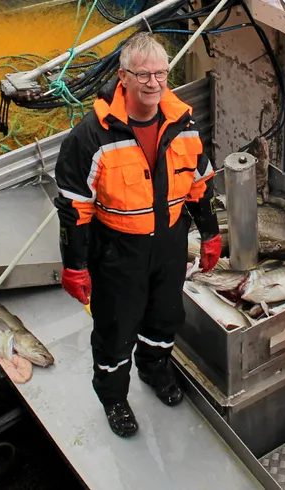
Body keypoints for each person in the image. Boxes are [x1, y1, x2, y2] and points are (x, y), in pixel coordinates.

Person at [53, 32, 221, 438]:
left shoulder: (183, 122)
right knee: (115, 329)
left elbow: (201, 182)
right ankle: (113, 398)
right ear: (123, 78)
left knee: (166, 317)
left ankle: (155, 370)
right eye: (143, 74)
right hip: (117, 250)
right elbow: (75, 208)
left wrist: (211, 233)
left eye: (161, 73)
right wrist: (75, 266)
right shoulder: (91, 136)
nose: (154, 82)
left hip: (169, 244)